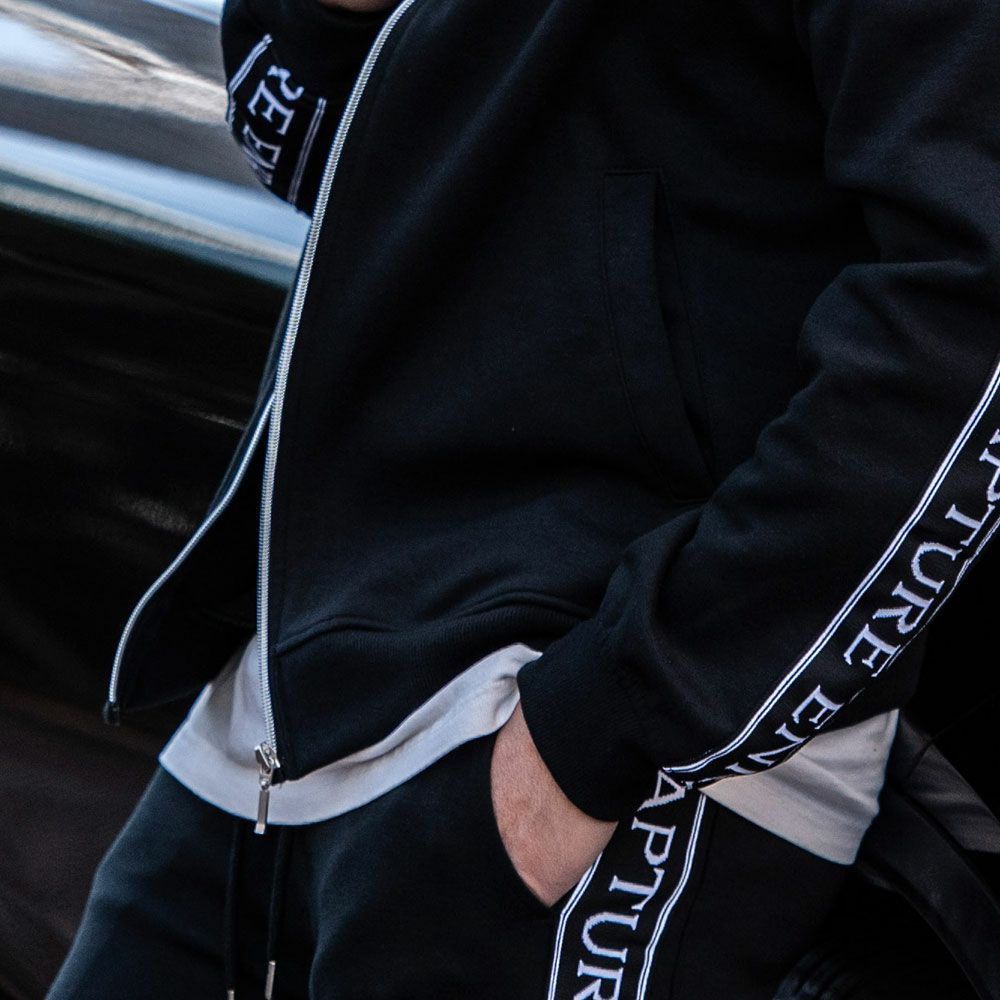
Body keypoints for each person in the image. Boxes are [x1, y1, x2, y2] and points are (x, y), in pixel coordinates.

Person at [49, 0, 1000, 997]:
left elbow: (968, 322)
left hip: (597, 742)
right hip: (285, 703)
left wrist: (607, 725)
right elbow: (317, 152)